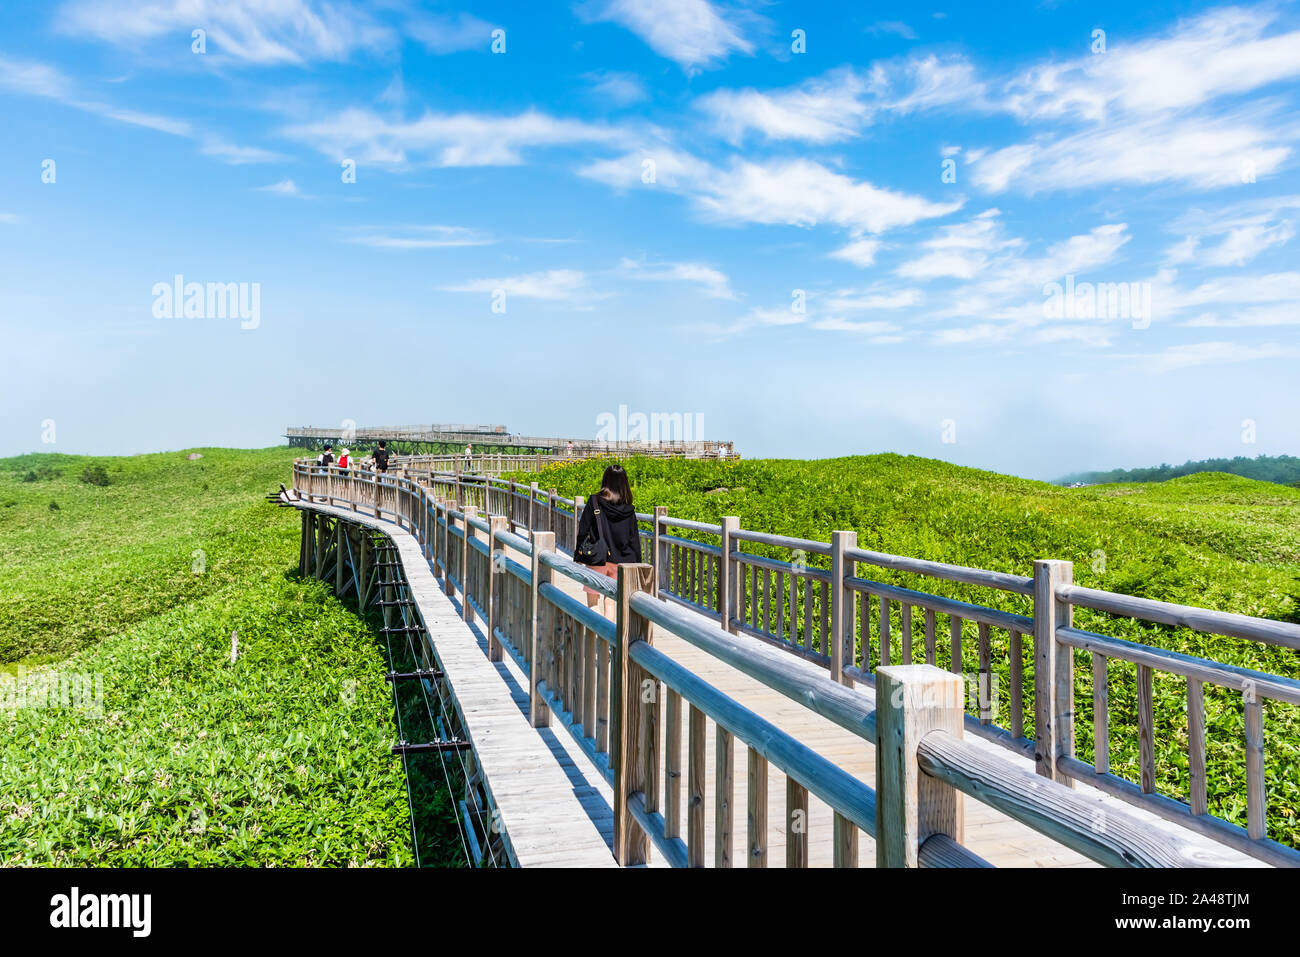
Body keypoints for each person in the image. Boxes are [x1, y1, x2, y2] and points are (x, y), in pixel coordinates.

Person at [575, 464, 642, 616]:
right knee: (610, 602)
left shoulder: (594, 502)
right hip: (621, 561)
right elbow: (634, 540)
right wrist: (637, 564)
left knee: (593, 601)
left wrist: (578, 555)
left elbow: (583, 530)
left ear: (605, 481)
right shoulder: (629, 509)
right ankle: (607, 638)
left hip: (597, 558)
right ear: (624, 483)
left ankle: (599, 636)